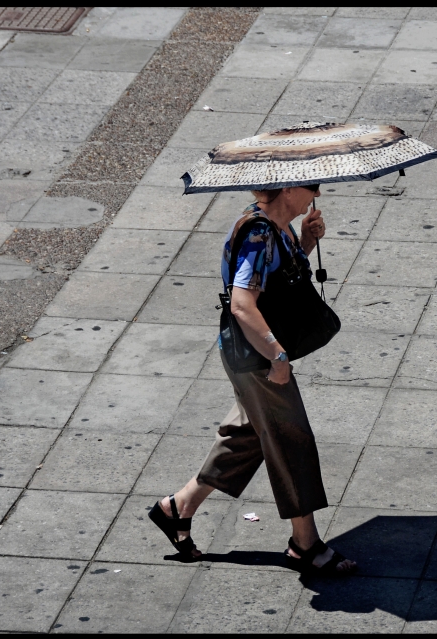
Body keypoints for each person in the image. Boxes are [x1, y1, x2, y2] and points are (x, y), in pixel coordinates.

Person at [148, 184, 357, 575]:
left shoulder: (279, 227)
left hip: (251, 355)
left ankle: (177, 507)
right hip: (256, 358)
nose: (317, 191)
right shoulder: (258, 234)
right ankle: (304, 545)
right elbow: (244, 304)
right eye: (311, 186)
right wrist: (277, 357)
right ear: (290, 191)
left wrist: (307, 240)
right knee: (291, 438)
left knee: (247, 434)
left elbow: (276, 284)